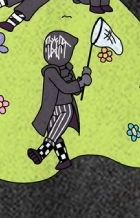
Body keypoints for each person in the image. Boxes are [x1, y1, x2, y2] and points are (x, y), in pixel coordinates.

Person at [27, 30, 92, 171]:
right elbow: (65, 87)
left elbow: (75, 91)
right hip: (51, 109)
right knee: (55, 134)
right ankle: (64, 160)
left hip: (65, 109)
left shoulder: (67, 69)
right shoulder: (50, 72)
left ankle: (41, 153)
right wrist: (81, 82)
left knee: (54, 132)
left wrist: (83, 78)